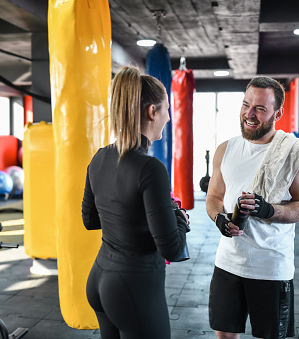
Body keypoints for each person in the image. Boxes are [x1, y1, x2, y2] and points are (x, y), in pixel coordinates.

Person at [81, 66, 189, 339]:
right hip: (133, 285)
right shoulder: (149, 168)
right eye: (167, 109)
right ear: (152, 111)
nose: (169, 116)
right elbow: (172, 249)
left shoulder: (99, 157)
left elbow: (90, 220)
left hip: (100, 277)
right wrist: (179, 219)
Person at [206, 76, 299, 339]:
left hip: (271, 266)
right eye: (246, 105)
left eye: (260, 109)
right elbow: (214, 197)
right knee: (224, 335)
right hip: (228, 262)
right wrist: (220, 218)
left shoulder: (294, 154)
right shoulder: (225, 149)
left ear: (278, 113)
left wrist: (268, 210)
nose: (249, 114)